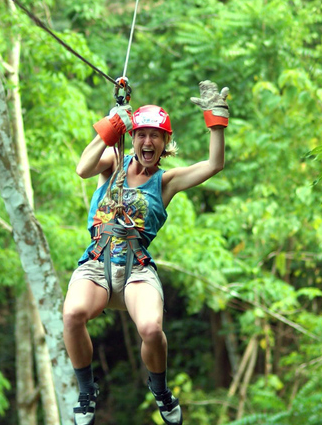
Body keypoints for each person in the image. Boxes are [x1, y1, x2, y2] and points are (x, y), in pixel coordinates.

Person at [63, 80, 229, 425]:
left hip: (137, 269)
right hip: (98, 263)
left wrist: (216, 122)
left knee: (152, 329)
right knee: (73, 314)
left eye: (155, 136)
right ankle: (86, 390)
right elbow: (82, 168)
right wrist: (111, 128)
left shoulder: (166, 182)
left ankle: (161, 391)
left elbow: (214, 164)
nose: (147, 142)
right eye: (141, 134)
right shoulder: (113, 161)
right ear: (134, 137)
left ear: (165, 143)